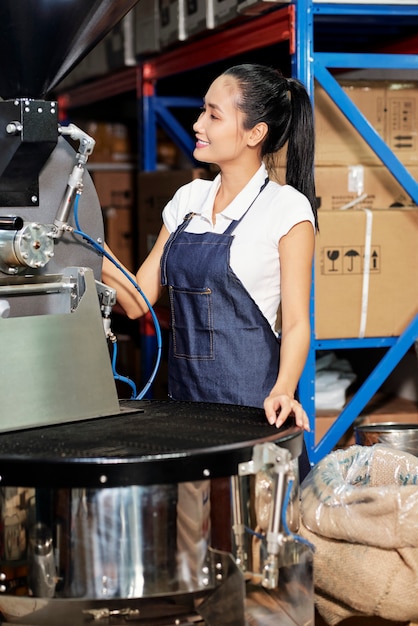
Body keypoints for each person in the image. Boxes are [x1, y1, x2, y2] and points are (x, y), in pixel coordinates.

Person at [102, 63, 318, 475]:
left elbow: (295, 324)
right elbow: (136, 300)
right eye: (203, 110)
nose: (198, 123)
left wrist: (285, 391)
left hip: (253, 408)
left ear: (256, 134)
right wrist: (86, 244)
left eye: (214, 115)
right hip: (186, 406)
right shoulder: (189, 199)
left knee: (251, 530)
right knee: (193, 531)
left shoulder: (286, 209)